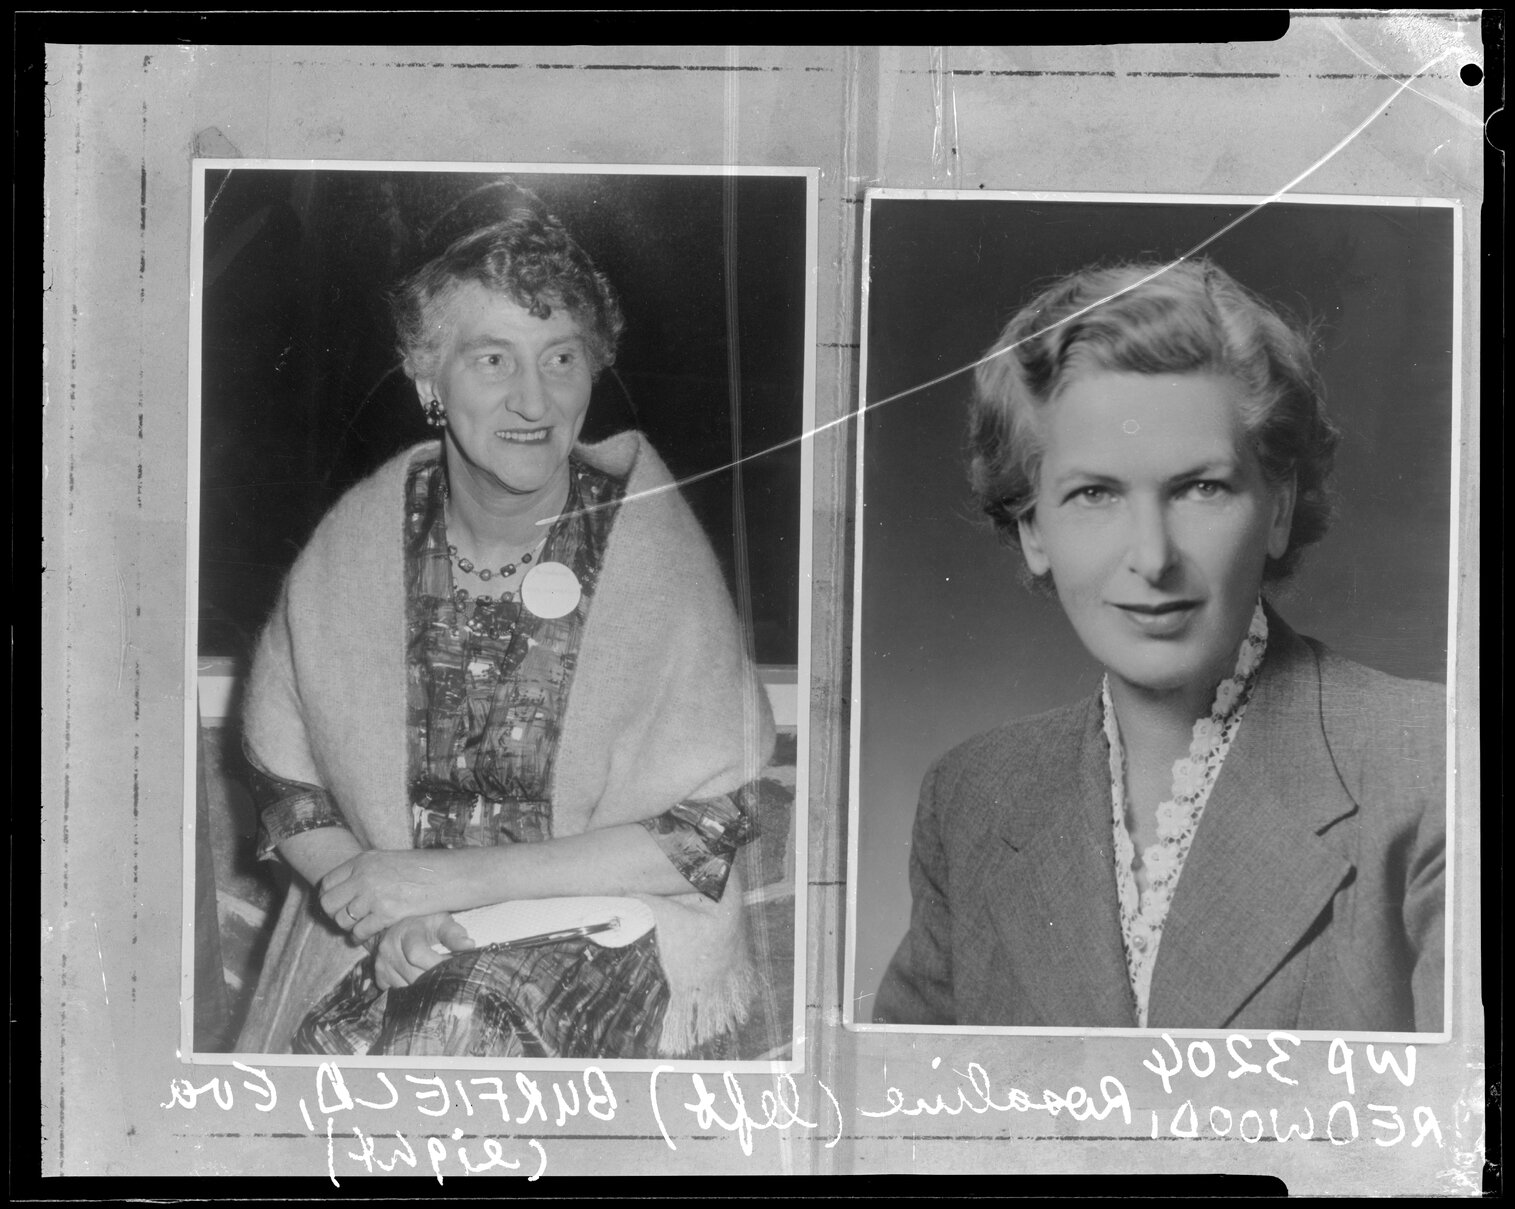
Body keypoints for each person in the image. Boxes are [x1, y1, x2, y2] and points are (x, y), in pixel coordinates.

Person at [234, 197, 775, 1058]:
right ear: (427, 379)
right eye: (493, 358)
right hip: (395, 926)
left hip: (598, 924)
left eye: (561, 357)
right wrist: (388, 913)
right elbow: (287, 788)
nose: (534, 397)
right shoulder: (356, 549)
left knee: (457, 1025)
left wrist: (443, 882)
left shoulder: (650, 554)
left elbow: (705, 832)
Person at [874, 259, 1446, 1032]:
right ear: (1033, 530)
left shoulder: (1434, 767)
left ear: (1276, 509)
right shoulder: (970, 798)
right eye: (1093, 494)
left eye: (1199, 487)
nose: (1151, 555)